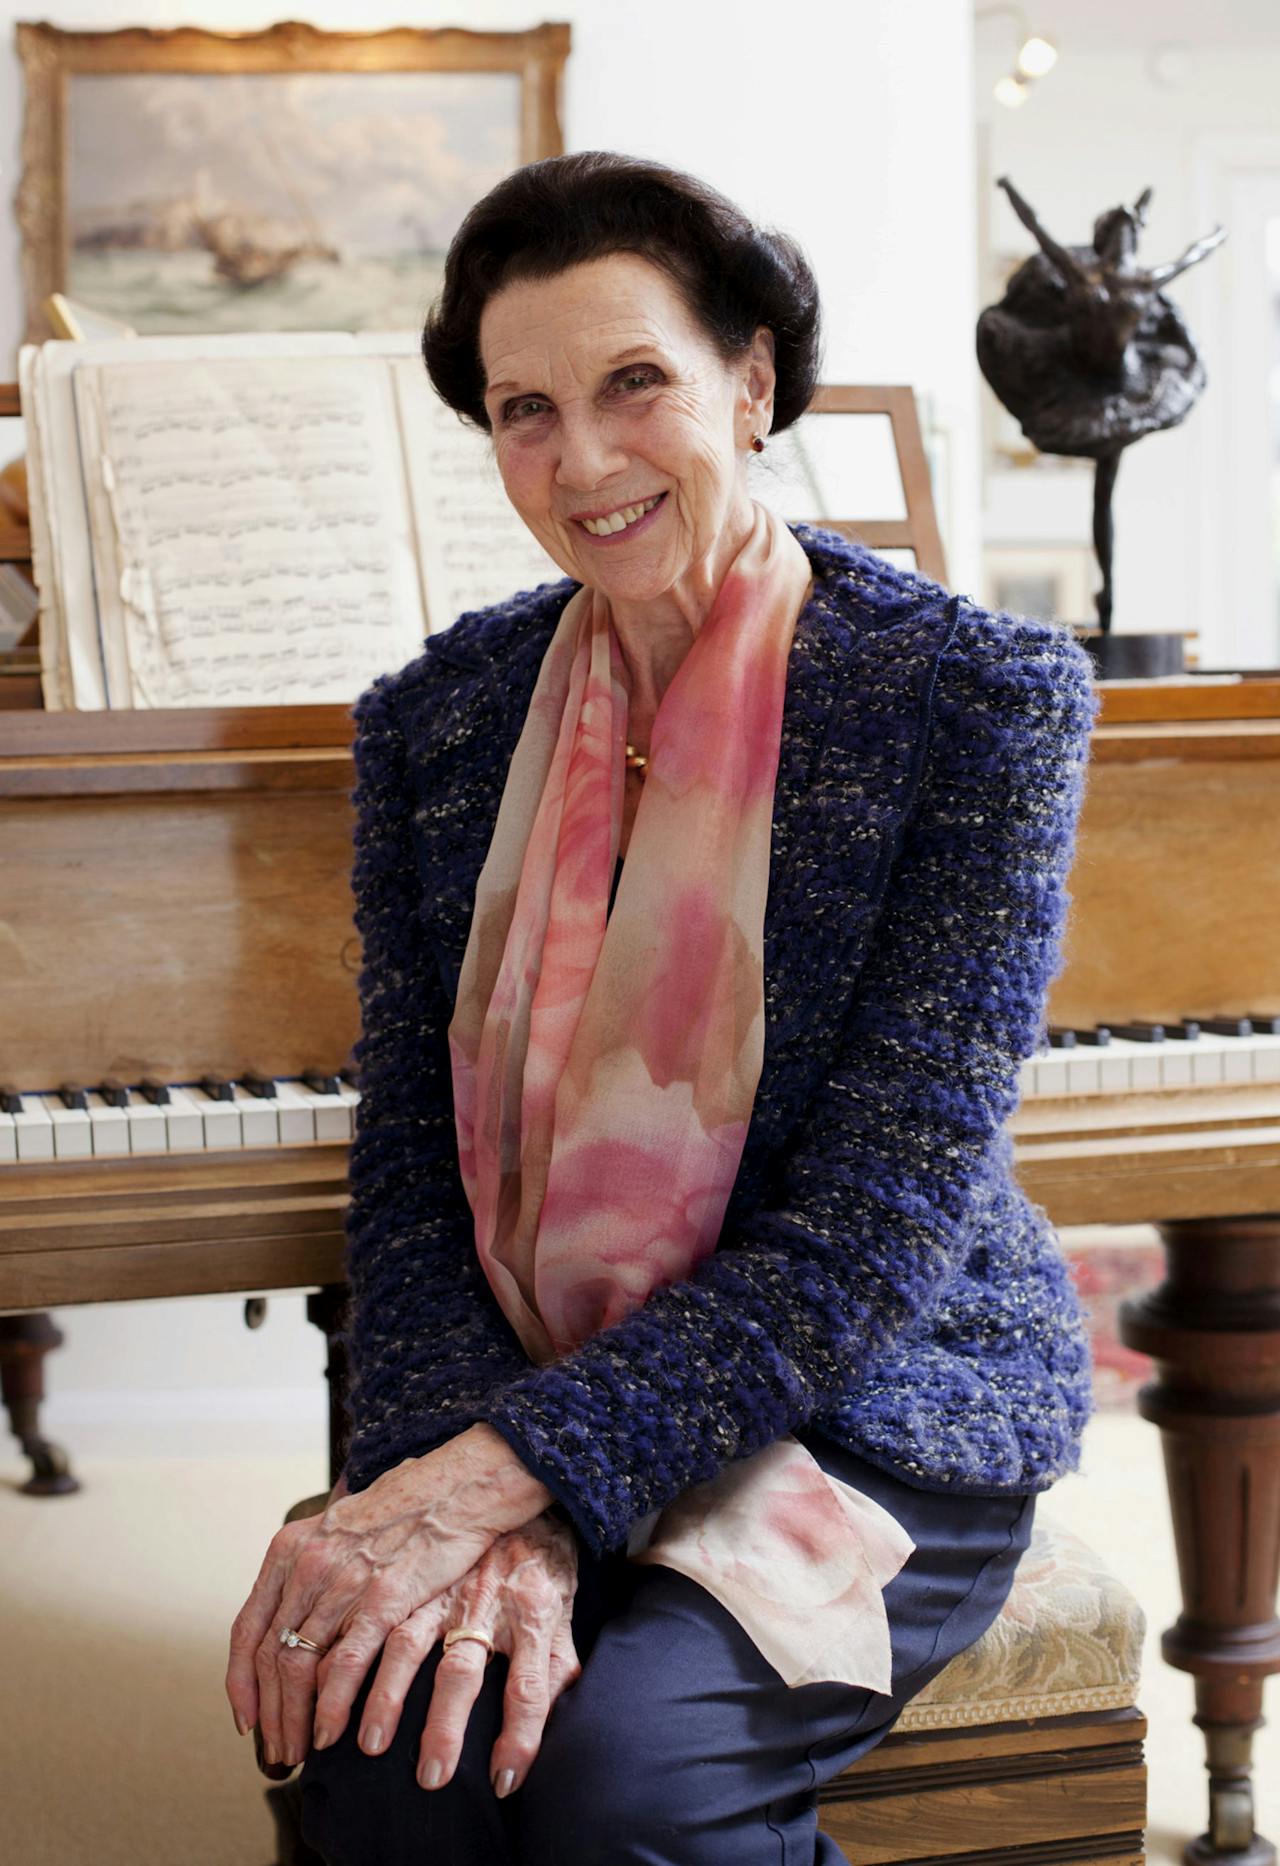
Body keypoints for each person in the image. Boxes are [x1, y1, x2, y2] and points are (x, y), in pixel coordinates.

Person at [224, 151, 1100, 1866]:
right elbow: (410, 1181)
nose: (584, 459)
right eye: (525, 410)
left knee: (620, 1780)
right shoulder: (439, 720)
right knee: (386, 1764)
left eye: (637, 381)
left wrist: (509, 1473)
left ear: (752, 381)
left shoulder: (976, 699)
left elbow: (874, 1234)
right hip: (532, 1368)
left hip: (862, 1400)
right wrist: (500, 1490)